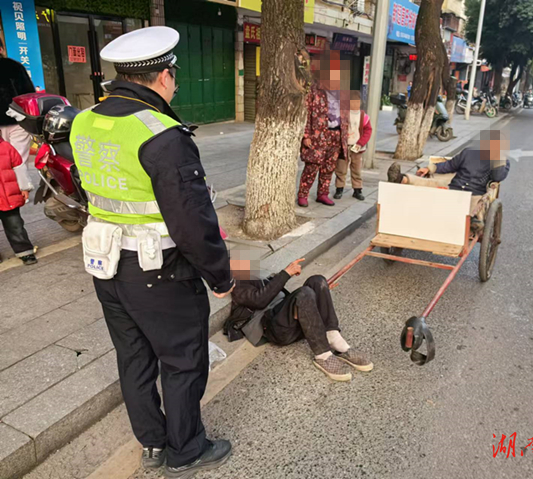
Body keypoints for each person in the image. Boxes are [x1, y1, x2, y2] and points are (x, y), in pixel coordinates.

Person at [70, 27, 235, 478]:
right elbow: (192, 223)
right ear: (164, 76)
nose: (174, 83)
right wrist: (220, 276)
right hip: (158, 270)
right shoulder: (162, 133)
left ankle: (153, 444)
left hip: (105, 264)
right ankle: (186, 450)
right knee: (182, 360)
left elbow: (86, 186)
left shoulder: (84, 120)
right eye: (174, 75)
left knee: (134, 357)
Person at [226, 254, 373, 382]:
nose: (242, 260)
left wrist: (320, 295)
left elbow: (275, 293)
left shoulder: (253, 276)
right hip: (276, 330)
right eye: (234, 261)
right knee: (304, 293)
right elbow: (259, 300)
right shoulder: (236, 283)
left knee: (317, 281)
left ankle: (334, 338)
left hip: (290, 320)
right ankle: (323, 355)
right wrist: (286, 273)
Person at [387, 129, 510, 225]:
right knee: (430, 183)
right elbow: (450, 165)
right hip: (453, 187)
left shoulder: (502, 162)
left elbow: (498, 176)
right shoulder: (469, 152)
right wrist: (430, 168)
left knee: (475, 208)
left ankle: (473, 222)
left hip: (475, 194)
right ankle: (402, 179)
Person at [298, 50, 349, 208]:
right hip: (318, 134)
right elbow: (305, 112)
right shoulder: (314, 89)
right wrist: (306, 135)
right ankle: (303, 194)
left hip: (336, 134)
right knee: (312, 165)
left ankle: (323, 194)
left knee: (329, 167)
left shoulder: (342, 90)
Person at [0, 38, 34, 193]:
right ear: (1, 49)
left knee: (4, 159)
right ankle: (21, 189)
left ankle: (6, 192)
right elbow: (29, 94)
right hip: (17, 119)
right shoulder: (15, 67)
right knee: (18, 157)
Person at [0, 133, 37, 265]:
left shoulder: (6, 147)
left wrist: (24, 187)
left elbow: (19, 168)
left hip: (9, 197)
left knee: (15, 226)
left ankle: (25, 251)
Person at [334, 90, 371, 201]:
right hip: (344, 146)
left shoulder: (363, 116)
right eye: (352, 102)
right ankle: (339, 188)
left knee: (356, 169)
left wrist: (360, 143)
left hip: (357, 147)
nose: (355, 104)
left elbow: (368, 131)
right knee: (341, 168)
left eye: (357, 102)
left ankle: (357, 189)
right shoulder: (344, 114)